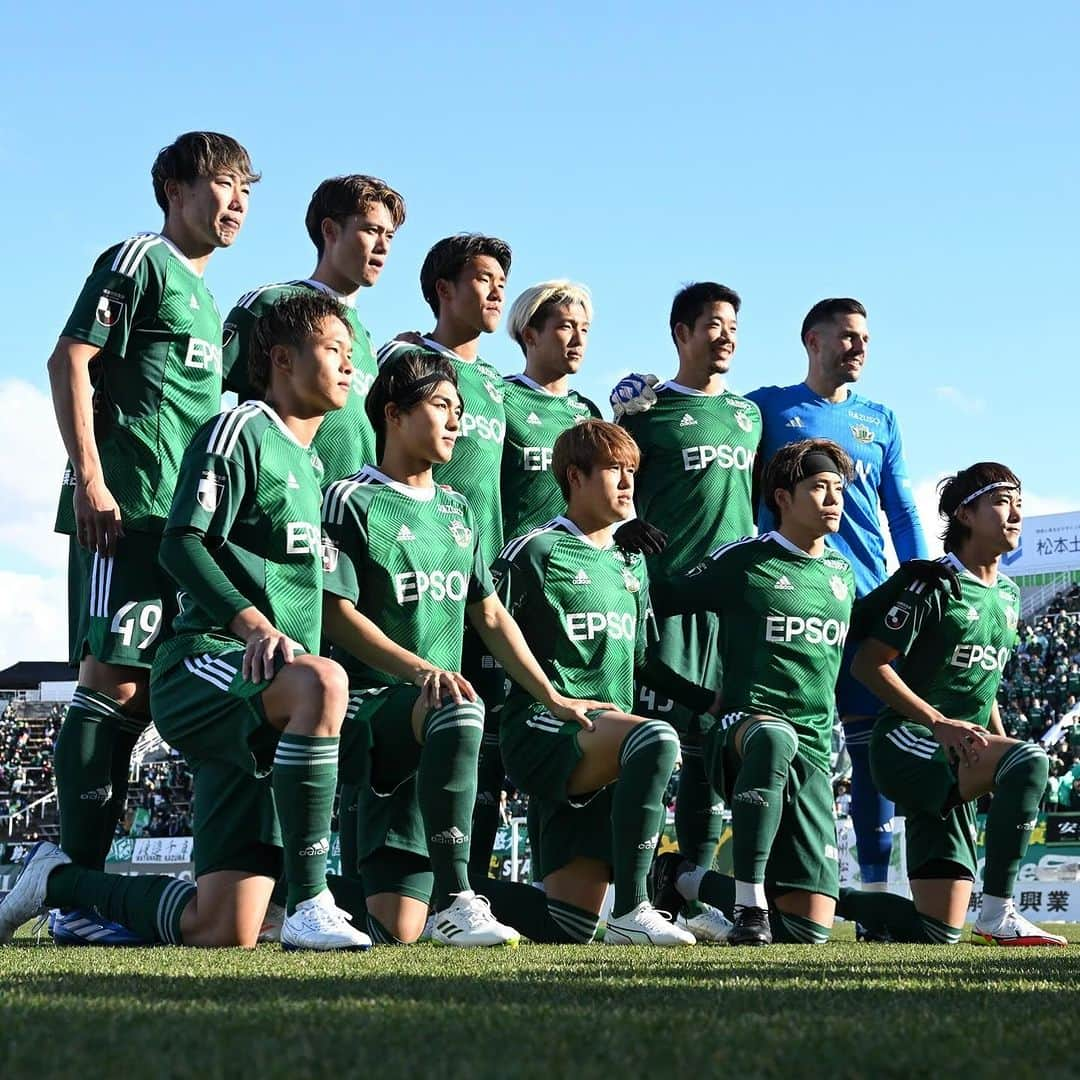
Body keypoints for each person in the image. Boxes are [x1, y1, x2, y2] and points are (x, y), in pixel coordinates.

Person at [0, 292, 370, 951]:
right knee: (324, 682)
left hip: (270, 708)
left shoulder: (314, 468)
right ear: (282, 360)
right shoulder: (242, 430)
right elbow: (181, 543)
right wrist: (254, 626)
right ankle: (312, 901)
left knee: (221, 929)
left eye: (351, 356)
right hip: (208, 662)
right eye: (334, 351)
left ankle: (55, 883)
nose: (348, 367)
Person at [45, 131, 258, 945]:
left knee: (158, 696)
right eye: (220, 183)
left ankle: (85, 891)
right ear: (173, 187)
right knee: (112, 687)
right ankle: (69, 893)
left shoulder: (210, 298)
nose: (235, 201)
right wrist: (91, 478)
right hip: (123, 515)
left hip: (179, 529)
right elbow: (71, 359)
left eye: (245, 188)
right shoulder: (140, 259)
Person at [321, 354, 609, 947]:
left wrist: (551, 695)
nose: (456, 423)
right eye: (442, 408)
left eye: (460, 411)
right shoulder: (347, 499)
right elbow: (335, 615)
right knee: (456, 705)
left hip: (439, 716)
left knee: (397, 931)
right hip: (372, 707)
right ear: (395, 415)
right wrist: (425, 670)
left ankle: (436, 896)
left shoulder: (459, 509)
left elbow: (489, 613)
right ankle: (455, 898)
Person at [476, 420, 695, 946]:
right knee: (656, 736)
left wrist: (705, 699)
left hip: (607, 744)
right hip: (545, 730)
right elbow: (485, 631)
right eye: (614, 471)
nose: (627, 484)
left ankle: (444, 895)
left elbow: (640, 659)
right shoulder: (533, 551)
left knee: (569, 928)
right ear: (574, 476)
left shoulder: (630, 562)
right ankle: (636, 905)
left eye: (632, 473)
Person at [839, 463, 1066, 946]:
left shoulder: (1007, 593)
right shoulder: (933, 582)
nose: (1016, 514)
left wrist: (1000, 752)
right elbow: (867, 665)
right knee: (1031, 759)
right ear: (965, 513)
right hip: (908, 742)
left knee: (937, 932)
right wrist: (939, 723)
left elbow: (986, 690)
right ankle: (998, 913)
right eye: (1002, 501)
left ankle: (803, 898)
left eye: (1020, 503)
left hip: (958, 748)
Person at [747, 299, 927, 895]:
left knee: (870, 745)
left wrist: (921, 576)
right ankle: (775, 884)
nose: (859, 348)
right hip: (789, 596)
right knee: (788, 737)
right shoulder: (768, 407)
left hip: (865, 601)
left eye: (866, 339)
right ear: (812, 341)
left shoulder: (881, 419)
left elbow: (899, 509)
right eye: (847, 337)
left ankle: (875, 890)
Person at [649, 439, 857, 945]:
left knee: (807, 931)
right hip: (744, 732)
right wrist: (630, 547)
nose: (834, 499)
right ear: (783, 498)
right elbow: (662, 598)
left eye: (838, 489)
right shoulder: (742, 561)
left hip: (813, 746)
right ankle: (749, 909)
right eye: (819, 488)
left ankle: (680, 878)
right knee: (772, 736)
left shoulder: (842, 573)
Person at [619, 282, 761, 942]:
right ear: (681, 333)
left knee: (709, 753)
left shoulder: (747, 416)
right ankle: (631, 891)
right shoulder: (647, 410)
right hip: (664, 599)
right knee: (654, 739)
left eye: (733, 325)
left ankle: (697, 890)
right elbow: (609, 480)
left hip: (729, 608)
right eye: (712, 325)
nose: (726, 336)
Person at [377, 235, 513, 877]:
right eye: (482, 279)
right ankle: (385, 880)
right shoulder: (404, 360)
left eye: (500, 282)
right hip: (405, 572)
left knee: (479, 743)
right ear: (443, 290)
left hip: (476, 581)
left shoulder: (494, 384)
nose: (495, 294)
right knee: (412, 727)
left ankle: (469, 884)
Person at [222, 174, 405, 485]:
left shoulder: (366, 337)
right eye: (372, 230)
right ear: (330, 230)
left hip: (349, 513)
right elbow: (206, 387)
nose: (383, 246)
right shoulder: (271, 302)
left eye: (389, 235)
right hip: (281, 501)